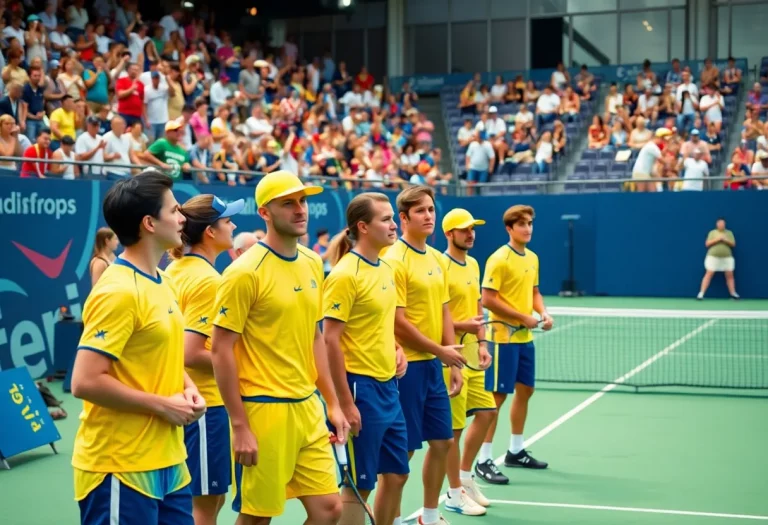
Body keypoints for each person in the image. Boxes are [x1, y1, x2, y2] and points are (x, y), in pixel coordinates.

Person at [210, 170, 349, 524]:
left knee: (330, 509)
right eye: (288, 203)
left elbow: (314, 336)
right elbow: (221, 350)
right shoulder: (244, 273)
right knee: (258, 518)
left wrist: (332, 403)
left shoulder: (313, 262)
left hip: (308, 410)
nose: (300, 209)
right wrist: (240, 425)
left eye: (302, 201)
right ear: (264, 213)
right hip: (263, 412)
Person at [70, 170, 206, 525]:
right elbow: (84, 381)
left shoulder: (162, 280)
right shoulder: (118, 290)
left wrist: (189, 389)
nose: (182, 218)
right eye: (174, 210)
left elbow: (162, 357)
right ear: (149, 222)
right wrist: (162, 406)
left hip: (169, 462)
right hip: (120, 465)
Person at [323, 192, 410, 525]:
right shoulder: (345, 275)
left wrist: (396, 349)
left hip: (389, 388)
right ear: (363, 226)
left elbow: (381, 323)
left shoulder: (386, 268)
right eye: (386, 219)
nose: (393, 224)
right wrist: (344, 402)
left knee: (398, 473)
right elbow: (330, 340)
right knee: (359, 486)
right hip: (360, 389)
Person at [382, 185, 465, 525]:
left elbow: (444, 309)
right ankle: (396, 518)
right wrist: (439, 351)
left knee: (443, 441)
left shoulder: (435, 258)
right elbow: (398, 322)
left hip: (433, 366)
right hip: (406, 370)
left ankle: (429, 516)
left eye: (431, 210)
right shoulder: (393, 260)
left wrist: (452, 358)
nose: (429, 216)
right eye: (421, 211)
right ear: (403, 218)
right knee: (404, 451)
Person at [164, 194, 245, 525]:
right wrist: (244, 363)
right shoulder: (208, 280)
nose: (234, 225)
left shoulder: (176, 269)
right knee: (205, 504)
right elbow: (190, 351)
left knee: (207, 498)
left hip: (189, 400)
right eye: (227, 221)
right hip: (205, 406)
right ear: (210, 232)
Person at [478, 205, 553, 478]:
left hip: (524, 338)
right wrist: (523, 317)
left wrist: (542, 312)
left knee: (526, 390)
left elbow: (535, 291)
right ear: (509, 229)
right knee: (496, 398)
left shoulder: (532, 258)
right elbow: (488, 299)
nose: (528, 229)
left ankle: (515, 451)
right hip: (501, 339)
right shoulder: (499, 259)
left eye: (530, 223)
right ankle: (484, 459)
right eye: (522, 224)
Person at [440, 209, 501, 516]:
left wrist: (483, 343)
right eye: (464, 230)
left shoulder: (474, 263)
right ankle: (453, 493)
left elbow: (478, 305)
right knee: (453, 430)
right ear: (449, 234)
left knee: (488, 412)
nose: (471, 234)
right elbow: (440, 314)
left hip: (473, 353)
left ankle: (465, 478)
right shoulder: (440, 265)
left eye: (472, 229)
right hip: (450, 355)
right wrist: (462, 329)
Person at [697, 217, 739, 300]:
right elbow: (707, 244)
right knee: (709, 273)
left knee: (730, 275)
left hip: (727, 258)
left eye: (723, 224)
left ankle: (733, 294)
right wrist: (718, 239)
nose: (721, 225)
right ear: (717, 224)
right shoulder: (712, 233)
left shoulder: (729, 233)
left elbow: (733, 244)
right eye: (720, 223)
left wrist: (725, 240)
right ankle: (701, 294)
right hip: (713, 257)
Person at [631, 127, 673, 192]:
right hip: (640, 173)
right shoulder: (652, 146)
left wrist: (666, 146)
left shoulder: (652, 147)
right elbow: (662, 160)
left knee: (653, 192)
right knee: (641, 195)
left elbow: (661, 154)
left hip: (645, 173)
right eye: (662, 139)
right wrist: (669, 162)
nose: (662, 141)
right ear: (658, 137)